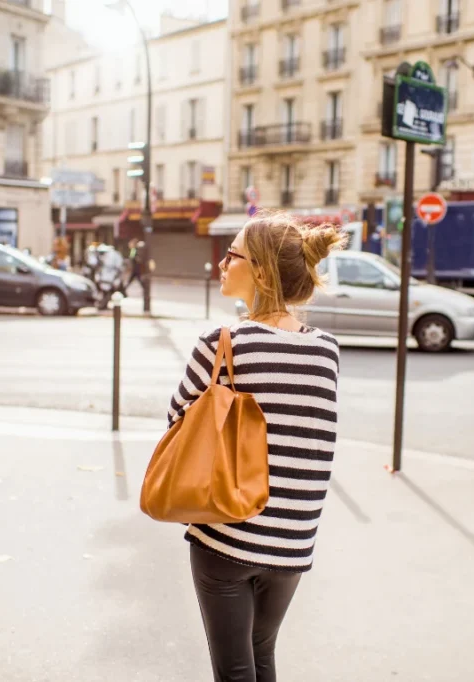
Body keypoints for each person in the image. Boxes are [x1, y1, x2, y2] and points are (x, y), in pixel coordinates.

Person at [166, 211, 346, 682]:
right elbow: (312, 439)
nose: (222, 263)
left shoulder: (222, 342)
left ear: (261, 271)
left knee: (233, 671)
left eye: (233, 255)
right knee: (260, 656)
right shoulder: (326, 349)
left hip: (226, 533)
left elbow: (177, 426)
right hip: (292, 540)